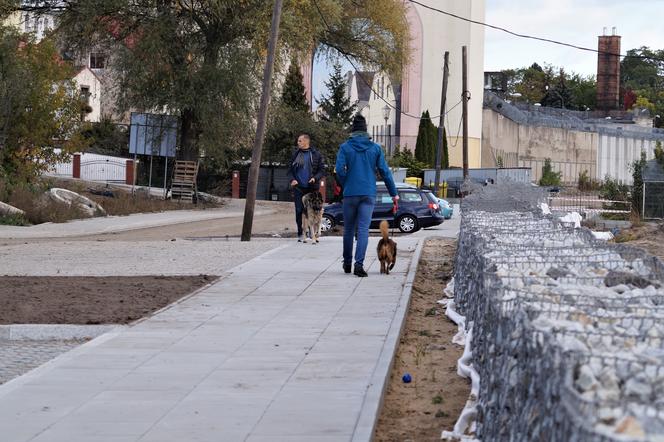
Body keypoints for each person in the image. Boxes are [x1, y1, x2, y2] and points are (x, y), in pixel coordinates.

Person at [335, 114, 398, 277]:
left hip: (350, 194)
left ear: (352, 130)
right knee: (363, 229)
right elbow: (385, 171)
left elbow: (340, 170)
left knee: (348, 229)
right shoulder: (375, 148)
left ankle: (347, 263)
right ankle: (359, 265)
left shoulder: (345, 147)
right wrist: (394, 194)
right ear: (366, 130)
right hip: (368, 193)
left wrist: (346, 184)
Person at [286, 134, 327, 242]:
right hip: (298, 187)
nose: (297, 143)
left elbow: (322, 170)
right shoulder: (295, 154)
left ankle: (312, 233)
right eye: (298, 141)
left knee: (313, 211)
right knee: (299, 210)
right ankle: (301, 233)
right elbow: (289, 170)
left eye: (300, 141)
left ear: (306, 142)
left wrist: (315, 178)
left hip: (311, 188)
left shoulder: (316, 154)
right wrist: (292, 180)